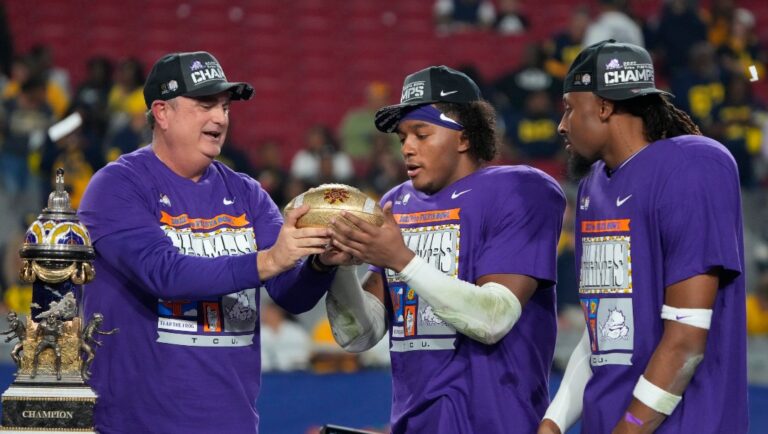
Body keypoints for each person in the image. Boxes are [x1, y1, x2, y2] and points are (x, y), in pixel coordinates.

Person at [78, 51, 342, 433]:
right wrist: (267, 261)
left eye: (224, 106)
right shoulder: (117, 185)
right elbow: (162, 273)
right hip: (136, 425)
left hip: (231, 422)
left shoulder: (247, 193)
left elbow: (292, 296)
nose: (220, 118)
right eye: (205, 105)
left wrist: (322, 263)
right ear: (162, 113)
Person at [324, 65, 566, 433]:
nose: (407, 147)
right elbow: (358, 335)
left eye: (421, 133)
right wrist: (339, 267)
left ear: (464, 138)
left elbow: (493, 319)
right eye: (403, 136)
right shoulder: (396, 203)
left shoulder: (521, 189)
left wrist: (400, 259)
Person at [539, 40, 747, 434]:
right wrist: (553, 422)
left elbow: (686, 341)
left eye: (569, 106)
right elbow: (604, 336)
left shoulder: (694, 166)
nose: (561, 124)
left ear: (603, 107)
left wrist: (629, 427)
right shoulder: (592, 188)